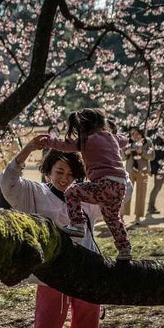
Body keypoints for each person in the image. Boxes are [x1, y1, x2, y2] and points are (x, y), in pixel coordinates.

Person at [0, 136, 104, 328]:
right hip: (53, 275)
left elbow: (121, 189)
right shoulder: (34, 193)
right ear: (47, 171)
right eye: (59, 172)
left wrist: (105, 156)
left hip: (87, 272)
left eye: (71, 174)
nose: (64, 178)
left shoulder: (88, 197)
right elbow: (8, 184)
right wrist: (27, 151)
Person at [44, 108, 132, 260]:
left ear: (82, 126)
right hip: (120, 186)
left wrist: (47, 141)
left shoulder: (86, 140)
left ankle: (78, 224)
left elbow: (64, 145)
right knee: (112, 218)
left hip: (104, 184)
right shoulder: (112, 137)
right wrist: (116, 133)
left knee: (72, 192)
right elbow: (124, 140)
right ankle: (125, 249)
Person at [122, 127, 154, 225]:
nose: (135, 136)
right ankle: (121, 215)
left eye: (137, 134)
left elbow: (152, 156)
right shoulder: (127, 142)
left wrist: (142, 152)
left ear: (142, 134)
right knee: (126, 193)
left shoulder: (147, 142)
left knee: (141, 194)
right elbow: (122, 156)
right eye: (132, 134)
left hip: (142, 171)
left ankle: (138, 217)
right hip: (130, 170)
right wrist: (126, 153)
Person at [0, 138, 22, 209]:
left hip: (6, 170)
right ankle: (3, 206)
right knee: (3, 190)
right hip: (3, 169)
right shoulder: (0, 140)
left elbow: (17, 154)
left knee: (5, 190)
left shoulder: (13, 141)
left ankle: (4, 206)